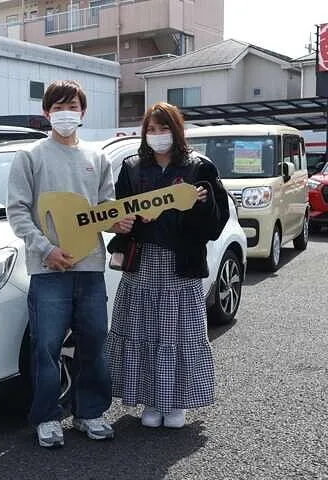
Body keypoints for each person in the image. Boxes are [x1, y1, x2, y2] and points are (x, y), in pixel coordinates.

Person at [106, 102, 230, 429]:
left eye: (164, 128)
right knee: (143, 331)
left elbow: (215, 225)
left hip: (181, 263)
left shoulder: (199, 167)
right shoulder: (132, 167)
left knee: (180, 333)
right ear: (144, 133)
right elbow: (119, 215)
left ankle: (176, 403)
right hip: (143, 261)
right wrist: (129, 221)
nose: (158, 135)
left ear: (177, 131)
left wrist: (201, 205)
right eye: (152, 129)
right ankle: (150, 399)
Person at [6, 80, 115, 448]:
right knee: (46, 347)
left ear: (83, 112)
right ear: (46, 112)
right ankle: (47, 417)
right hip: (48, 269)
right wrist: (46, 249)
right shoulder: (30, 156)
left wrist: (119, 221)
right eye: (58, 107)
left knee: (94, 342)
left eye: (72, 106)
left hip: (91, 267)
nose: (66, 113)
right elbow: (17, 211)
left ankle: (90, 412)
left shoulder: (97, 157)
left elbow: (105, 208)